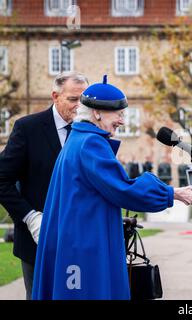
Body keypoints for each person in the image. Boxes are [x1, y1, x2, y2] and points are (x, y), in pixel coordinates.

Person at [32, 76, 192, 300]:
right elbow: (123, 189)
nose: (122, 121)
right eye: (119, 114)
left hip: (75, 241)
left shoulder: (78, 139)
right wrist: (172, 193)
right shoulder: (90, 143)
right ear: (97, 113)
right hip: (83, 247)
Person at [0, 72, 89, 300]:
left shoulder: (91, 132)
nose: (79, 106)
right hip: (36, 239)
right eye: (72, 99)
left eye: (84, 100)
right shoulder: (27, 129)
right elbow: (2, 180)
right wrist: (31, 218)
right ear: (55, 96)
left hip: (82, 239)